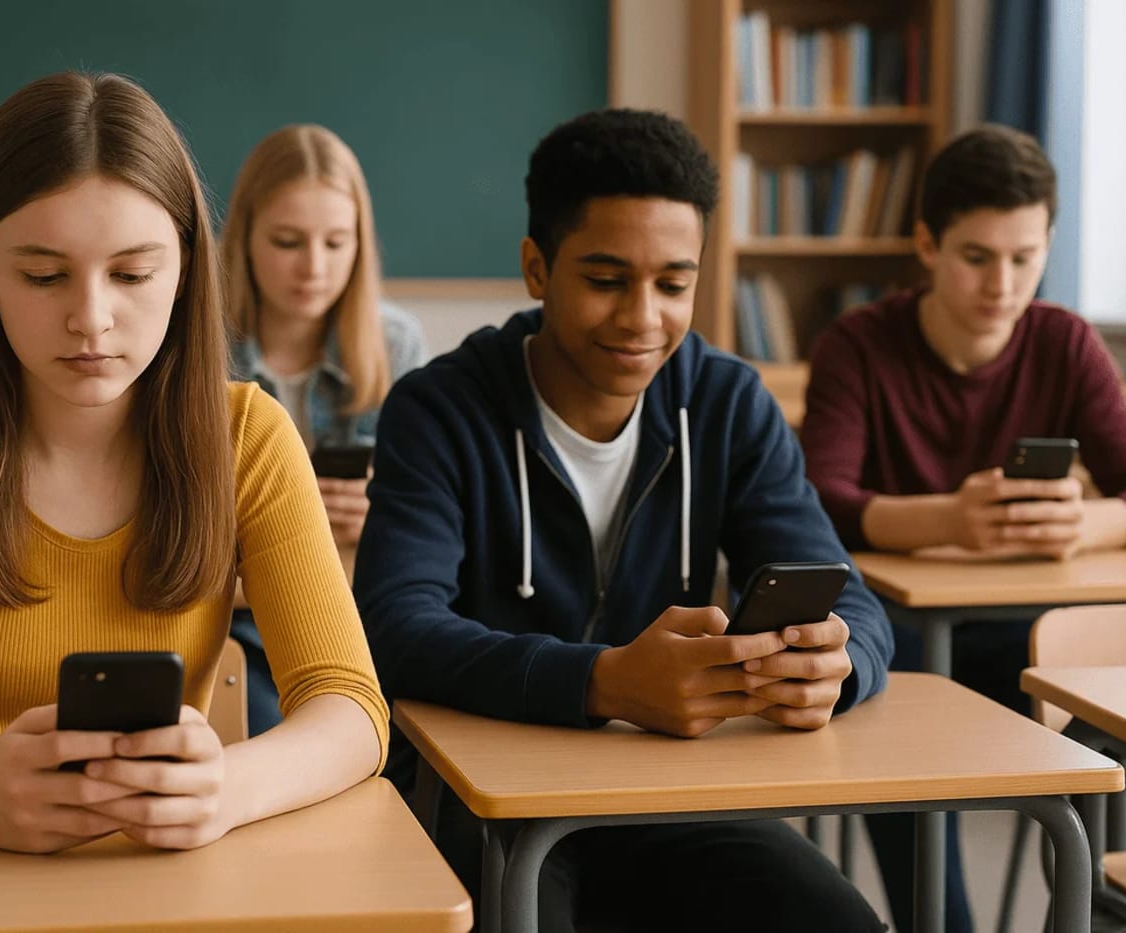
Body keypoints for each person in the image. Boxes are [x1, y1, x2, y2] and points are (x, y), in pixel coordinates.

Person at [0, 72, 387, 854]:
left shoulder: (248, 438)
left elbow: (351, 707)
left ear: (187, 266)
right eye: (44, 275)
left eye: (132, 274)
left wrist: (228, 787)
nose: (91, 317)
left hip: (166, 879)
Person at [355, 108, 891, 932]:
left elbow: (848, 596)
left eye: (674, 285)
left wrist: (836, 662)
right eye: (607, 280)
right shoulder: (440, 409)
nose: (644, 318)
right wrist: (602, 681)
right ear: (537, 269)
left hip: (666, 789)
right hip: (481, 796)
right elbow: (394, 626)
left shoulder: (727, 401)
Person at [802, 124, 1126, 932]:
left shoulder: (1063, 341)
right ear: (927, 244)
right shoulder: (858, 344)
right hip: (902, 629)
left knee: (1092, 696)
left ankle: (1090, 910)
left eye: (1024, 257)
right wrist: (949, 518)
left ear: (1048, 245)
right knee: (889, 693)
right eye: (976, 256)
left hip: (1022, 628)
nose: (1003, 283)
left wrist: (1086, 524)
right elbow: (820, 499)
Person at [220, 124, 426, 736]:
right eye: (287, 241)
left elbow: (421, 535)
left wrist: (382, 515)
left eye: (337, 243)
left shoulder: (393, 343)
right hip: (232, 622)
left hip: (359, 614)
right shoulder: (198, 339)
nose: (314, 267)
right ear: (245, 237)